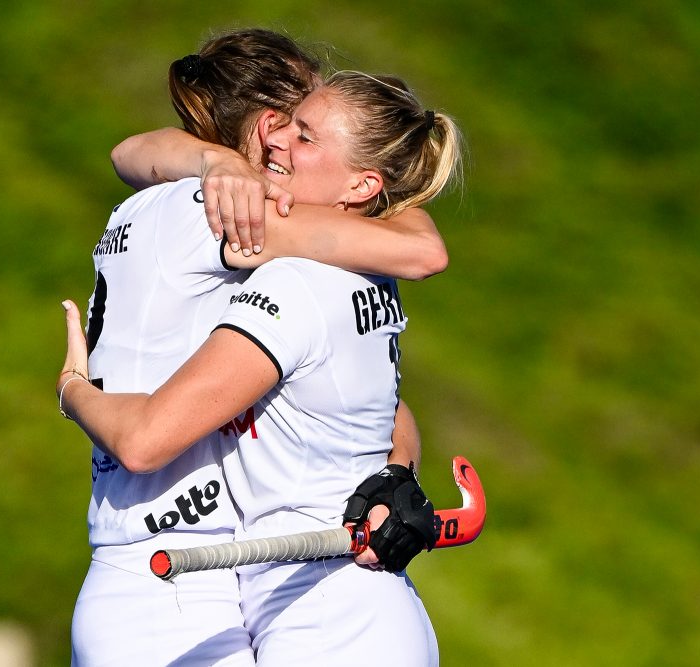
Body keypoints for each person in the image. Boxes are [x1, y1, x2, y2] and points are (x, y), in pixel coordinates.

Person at [67, 29, 449, 666]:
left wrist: (393, 472)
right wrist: (71, 389)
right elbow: (418, 249)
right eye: (295, 125)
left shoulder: (154, 204)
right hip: (176, 583)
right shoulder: (233, 217)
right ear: (270, 122)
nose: (286, 144)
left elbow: (366, 401)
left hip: (202, 576)